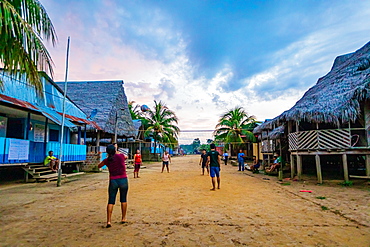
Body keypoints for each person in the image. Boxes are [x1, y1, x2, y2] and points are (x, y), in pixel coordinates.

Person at [98, 144, 129, 228]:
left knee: (111, 201)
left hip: (113, 181)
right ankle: (123, 218)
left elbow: (99, 166)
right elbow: (126, 157)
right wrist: (117, 152)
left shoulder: (107, 160)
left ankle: (108, 221)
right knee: (123, 199)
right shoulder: (121, 156)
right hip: (123, 180)